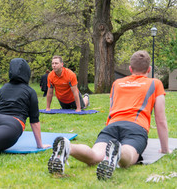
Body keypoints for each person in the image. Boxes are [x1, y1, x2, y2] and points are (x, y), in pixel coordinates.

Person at [47, 50, 172, 180]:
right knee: (129, 157)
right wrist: (164, 149)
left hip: (112, 126)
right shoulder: (155, 83)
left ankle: (68, 147)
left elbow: (112, 108)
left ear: (130, 68)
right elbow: (160, 120)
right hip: (136, 127)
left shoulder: (117, 83)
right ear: (149, 69)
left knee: (95, 156)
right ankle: (117, 152)